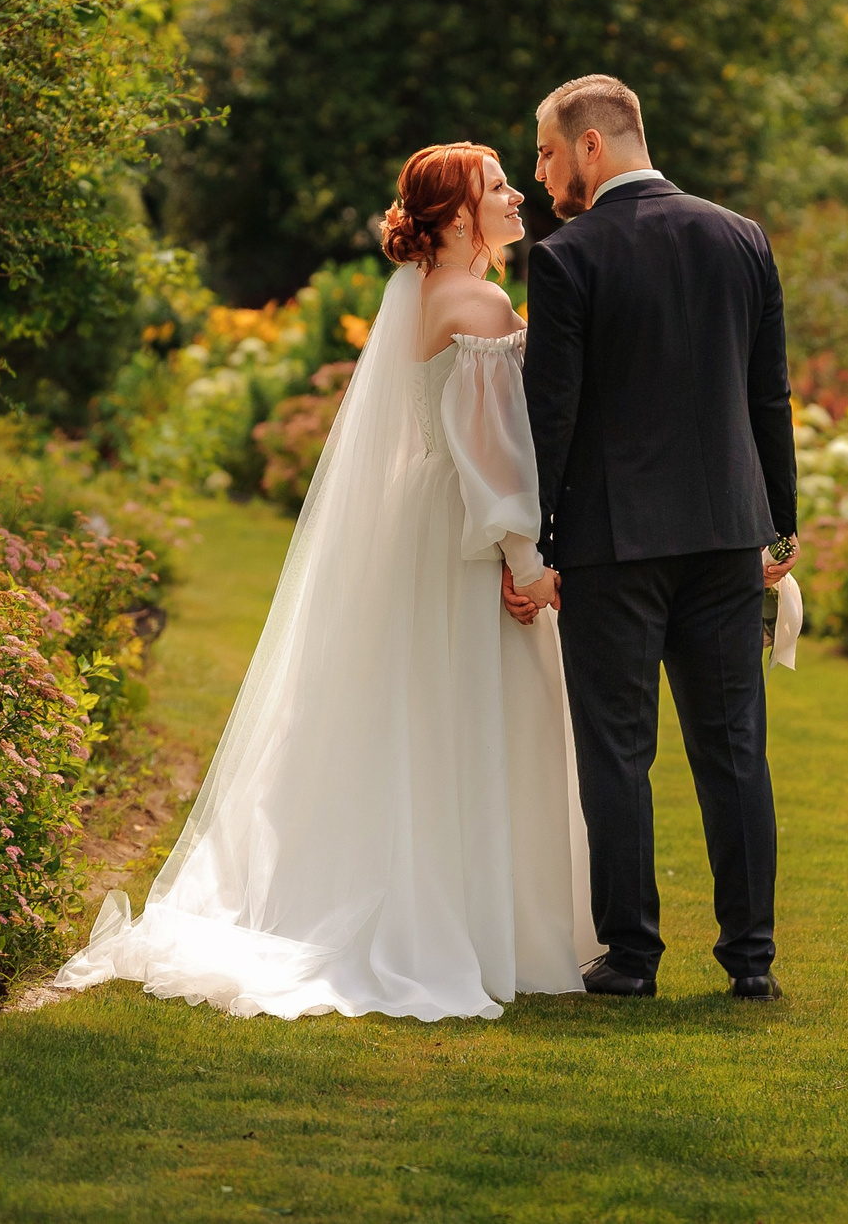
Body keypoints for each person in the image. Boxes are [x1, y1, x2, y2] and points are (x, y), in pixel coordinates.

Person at [51, 143, 593, 1019]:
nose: (516, 194)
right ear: (457, 214)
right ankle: (486, 922)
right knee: (477, 711)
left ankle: (438, 897)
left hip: (418, 518)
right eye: (498, 187)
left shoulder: (415, 292)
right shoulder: (480, 301)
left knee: (419, 717)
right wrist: (526, 562)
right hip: (463, 528)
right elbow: (495, 455)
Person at [517, 74, 799, 1001]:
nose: (544, 174)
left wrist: (538, 540)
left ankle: (632, 955)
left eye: (551, 153)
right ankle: (750, 959)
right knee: (733, 751)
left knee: (618, 753)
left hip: (613, 541)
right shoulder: (741, 237)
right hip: (727, 535)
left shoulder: (568, 257)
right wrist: (779, 525)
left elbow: (549, 416)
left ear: (593, 146)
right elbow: (768, 394)